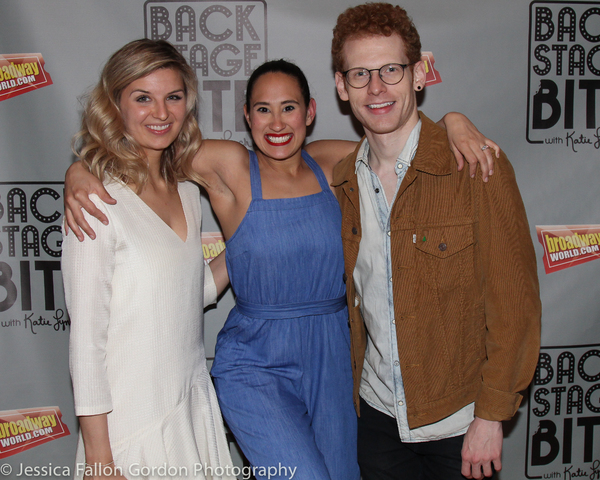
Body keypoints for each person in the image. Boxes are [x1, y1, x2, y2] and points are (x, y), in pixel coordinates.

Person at [64, 58, 498, 479]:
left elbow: (408, 147)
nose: (276, 123)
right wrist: (81, 170)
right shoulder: (229, 165)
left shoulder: (330, 162)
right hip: (255, 360)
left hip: (335, 354)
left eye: (289, 107)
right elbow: (147, 147)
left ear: (310, 112)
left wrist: (453, 121)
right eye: (263, 109)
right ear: (247, 116)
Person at [329, 4, 542, 480]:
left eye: (391, 70)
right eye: (360, 74)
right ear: (342, 87)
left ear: (418, 75)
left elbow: (515, 305)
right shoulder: (344, 183)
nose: (377, 88)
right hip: (377, 422)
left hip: (460, 425)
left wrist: (491, 418)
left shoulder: (476, 167)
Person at [61, 39, 235, 480]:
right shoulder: (95, 200)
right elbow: (86, 343)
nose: (161, 113)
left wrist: (247, 249)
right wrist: (100, 459)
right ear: (115, 105)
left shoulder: (190, 194)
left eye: (173, 97)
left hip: (189, 412)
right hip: (128, 430)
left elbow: (184, 295)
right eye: (143, 98)